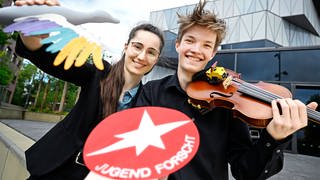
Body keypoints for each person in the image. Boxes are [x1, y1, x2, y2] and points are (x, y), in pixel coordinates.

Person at [135, 0, 318, 180]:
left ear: (213, 53)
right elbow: (135, 147)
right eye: (190, 40)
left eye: (206, 45)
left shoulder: (227, 104)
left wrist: (272, 138)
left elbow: (245, 172)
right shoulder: (152, 92)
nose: (196, 50)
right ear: (178, 45)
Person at [13, 0, 165, 179]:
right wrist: (30, 27)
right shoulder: (99, 73)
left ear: (157, 59)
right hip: (56, 169)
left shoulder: (147, 101)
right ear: (126, 46)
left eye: (151, 52)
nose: (141, 56)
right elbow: (45, 56)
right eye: (137, 46)